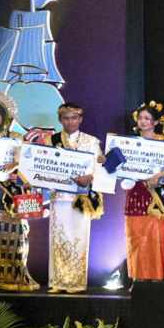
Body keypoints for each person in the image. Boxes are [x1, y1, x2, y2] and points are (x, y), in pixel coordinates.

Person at [123, 102, 164, 281]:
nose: (143, 121)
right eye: (140, 118)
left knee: (155, 239)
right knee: (136, 239)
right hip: (135, 197)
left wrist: (161, 176)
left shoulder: (163, 145)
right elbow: (119, 166)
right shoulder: (131, 144)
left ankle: (156, 279)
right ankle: (138, 279)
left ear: (155, 122)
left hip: (156, 199)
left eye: (147, 118)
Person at [47, 102, 104, 293]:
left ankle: (77, 282)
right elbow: (44, 165)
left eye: (74, 118)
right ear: (60, 120)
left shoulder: (91, 141)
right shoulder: (52, 140)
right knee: (59, 237)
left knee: (79, 238)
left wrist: (90, 177)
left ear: (80, 119)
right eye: (66, 118)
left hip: (81, 198)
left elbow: (100, 167)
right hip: (59, 197)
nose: (70, 121)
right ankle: (58, 281)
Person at [0, 93, 38, 291]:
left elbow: (27, 164)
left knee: (15, 233)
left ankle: (14, 277)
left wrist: (15, 166)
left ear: (5, 116)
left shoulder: (15, 138)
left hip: (9, 190)